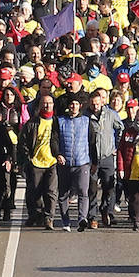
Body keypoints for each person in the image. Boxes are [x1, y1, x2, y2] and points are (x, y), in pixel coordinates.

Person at [19, 95, 59, 230]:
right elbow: (23, 142)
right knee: (33, 192)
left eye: (49, 103)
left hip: (52, 162)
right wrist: (26, 159)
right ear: (40, 105)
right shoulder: (32, 123)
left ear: (53, 105)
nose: (47, 105)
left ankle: (49, 218)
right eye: (44, 103)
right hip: (36, 162)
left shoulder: (57, 122)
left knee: (51, 192)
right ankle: (35, 215)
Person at [87, 88, 123, 228]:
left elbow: (120, 128)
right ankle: (92, 216)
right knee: (92, 188)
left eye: (97, 103)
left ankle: (106, 210)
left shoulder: (110, 114)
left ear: (102, 102)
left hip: (107, 155)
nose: (95, 106)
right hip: (92, 158)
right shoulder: (86, 116)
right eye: (92, 104)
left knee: (109, 186)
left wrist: (117, 146)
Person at [54, 95, 91, 231]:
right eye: (71, 104)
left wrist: (94, 162)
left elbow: (92, 142)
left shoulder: (86, 121)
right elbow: (55, 140)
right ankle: (65, 221)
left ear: (80, 106)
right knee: (63, 193)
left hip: (82, 162)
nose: (73, 107)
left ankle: (82, 218)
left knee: (83, 191)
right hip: (65, 163)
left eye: (76, 104)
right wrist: (58, 153)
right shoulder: (60, 121)